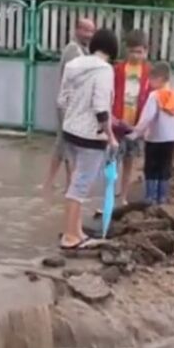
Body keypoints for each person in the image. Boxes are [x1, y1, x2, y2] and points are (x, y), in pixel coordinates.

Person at [57, 28, 119, 249]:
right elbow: (101, 107)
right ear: (112, 48)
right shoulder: (104, 70)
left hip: (70, 131)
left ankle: (75, 231)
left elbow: (62, 100)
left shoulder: (74, 65)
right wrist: (111, 137)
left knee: (74, 183)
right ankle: (70, 238)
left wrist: (72, 119)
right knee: (80, 187)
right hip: (91, 137)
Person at [42, 18, 95, 196]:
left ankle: (64, 184)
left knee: (67, 144)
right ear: (77, 30)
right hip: (68, 105)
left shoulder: (83, 50)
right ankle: (50, 184)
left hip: (72, 104)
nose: (89, 34)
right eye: (86, 30)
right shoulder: (73, 50)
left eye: (91, 31)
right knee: (64, 143)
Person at [128, 62, 174, 205]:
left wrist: (135, 133)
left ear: (160, 79)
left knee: (151, 168)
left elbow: (147, 118)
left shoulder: (154, 96)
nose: (149, 82)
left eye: (151, 79)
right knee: (165, 167)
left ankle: (150, 197)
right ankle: (162, 197)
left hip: (154, 139)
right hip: (170, 139)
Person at [112, 29, 152, 205]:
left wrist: (146, 125)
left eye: (139, 52)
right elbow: (110, 93)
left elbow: (152, 98)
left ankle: (124, 196)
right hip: (117, 123)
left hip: (135, 126)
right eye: (132, 51)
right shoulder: (118, 70)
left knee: (129, 161)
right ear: (126, 50)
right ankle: (109, 194)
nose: (135, 55)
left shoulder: (149, 72)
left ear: (146, 51)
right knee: (112, 161)